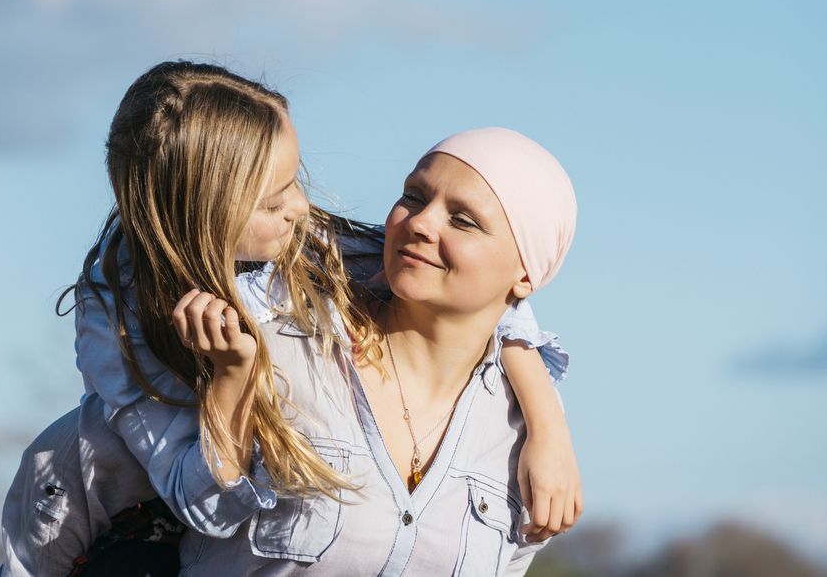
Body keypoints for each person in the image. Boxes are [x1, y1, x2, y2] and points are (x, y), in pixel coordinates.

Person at [0, 63, 579, 574]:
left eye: (294, 183)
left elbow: (497, 301)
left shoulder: (318, 255)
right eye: (273, 200)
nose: (303, 210)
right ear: (203, 213)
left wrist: (547, 424)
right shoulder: (134, 325)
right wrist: (231, 382)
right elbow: (190, 501)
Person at [174, 126, 577, 574]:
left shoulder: (520, 435)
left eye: (463, 220)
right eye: (414, 196)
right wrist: (230, 384)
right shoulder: (270, 347)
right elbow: (124, 479)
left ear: (526, 276)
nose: (420, 223)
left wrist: (546, 424)